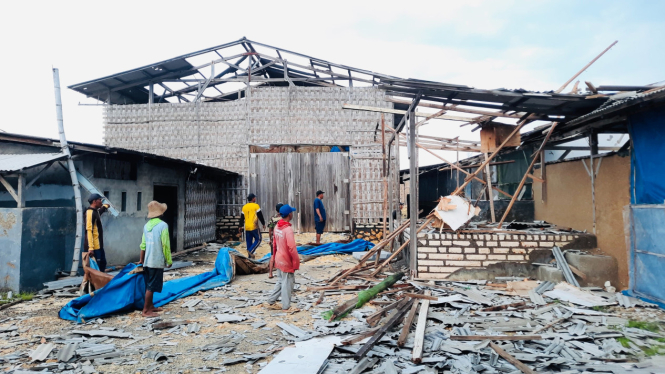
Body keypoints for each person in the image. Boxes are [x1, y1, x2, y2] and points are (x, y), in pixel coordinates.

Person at [138, 201, 172, 318]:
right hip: (156, 260)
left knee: (149, 284)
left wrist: (141, 259)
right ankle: (146, 310)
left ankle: (151, 306)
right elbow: (165, 245)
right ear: (161, 213)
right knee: (151, 286)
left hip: (147, 260)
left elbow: (143, 244)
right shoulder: (163, 225)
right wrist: (169, 260)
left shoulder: (146, 226)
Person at [265, 204, 300, 311]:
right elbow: (292, 248)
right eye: (292, 212)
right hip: (286, 260)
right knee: (287, 283)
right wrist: (296, 262)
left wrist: (274, 258)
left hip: (279, 259)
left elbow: (274, 244)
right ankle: (286, 306)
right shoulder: (288, 229)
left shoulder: (277, 227)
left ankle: (271, 300)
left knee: (281, 281)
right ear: (289, 214)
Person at [84, 193, 109, 273]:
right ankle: (95, 285)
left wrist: (105, 207)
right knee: (96, 269)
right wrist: (90, 248)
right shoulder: (89, 213)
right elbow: (89, 230)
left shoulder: (95, 212)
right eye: (100, 200)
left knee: (102, 264)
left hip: (99, 246)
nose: (101, 202)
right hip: (94, 247)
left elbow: (99, 212)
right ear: (94, 201)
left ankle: (100, 284)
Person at [239, 193, 266, 259]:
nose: (255, 199)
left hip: (247, 227)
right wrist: (263, 223)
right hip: (254, 226)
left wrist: (240, 226)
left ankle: (249, 258)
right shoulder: (256, 206)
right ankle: (251, 251)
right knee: (258, 239)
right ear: (253, 198)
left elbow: (242, 218)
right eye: (255, 197)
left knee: (249, 242)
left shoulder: (244, 207)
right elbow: (260, 216)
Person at [267, 203, 284, 278]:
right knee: (283, 255)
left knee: (272, 256)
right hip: (282, 239)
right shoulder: (284, 218)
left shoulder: (273, 218)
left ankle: (270, 273)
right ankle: (282, 272)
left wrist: (270, 239)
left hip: (274, 239)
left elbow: (270, 230)